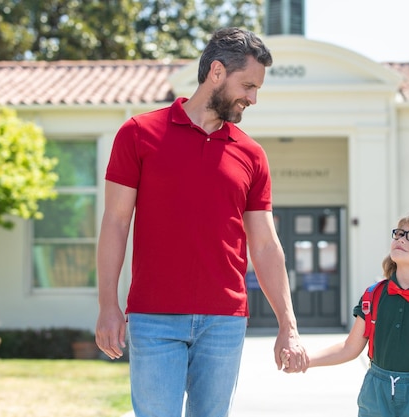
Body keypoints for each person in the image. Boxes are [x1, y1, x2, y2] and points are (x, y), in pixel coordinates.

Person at [95, 27, 308, 417]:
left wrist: (287, 326)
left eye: (257, 89)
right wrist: (108, 304)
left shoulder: (252, 154)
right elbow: (115, 223)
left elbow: (264, 244)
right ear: (216, 72)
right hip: (153, 318)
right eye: (247, 85)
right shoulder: (139, 134)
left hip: (224, 322)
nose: (253, 98)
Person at [282, 210, 409, 417]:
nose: (401, 239)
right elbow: (349, 348)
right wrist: (306, 360)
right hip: (375, 391)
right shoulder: (374, 296)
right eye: (399, 233)